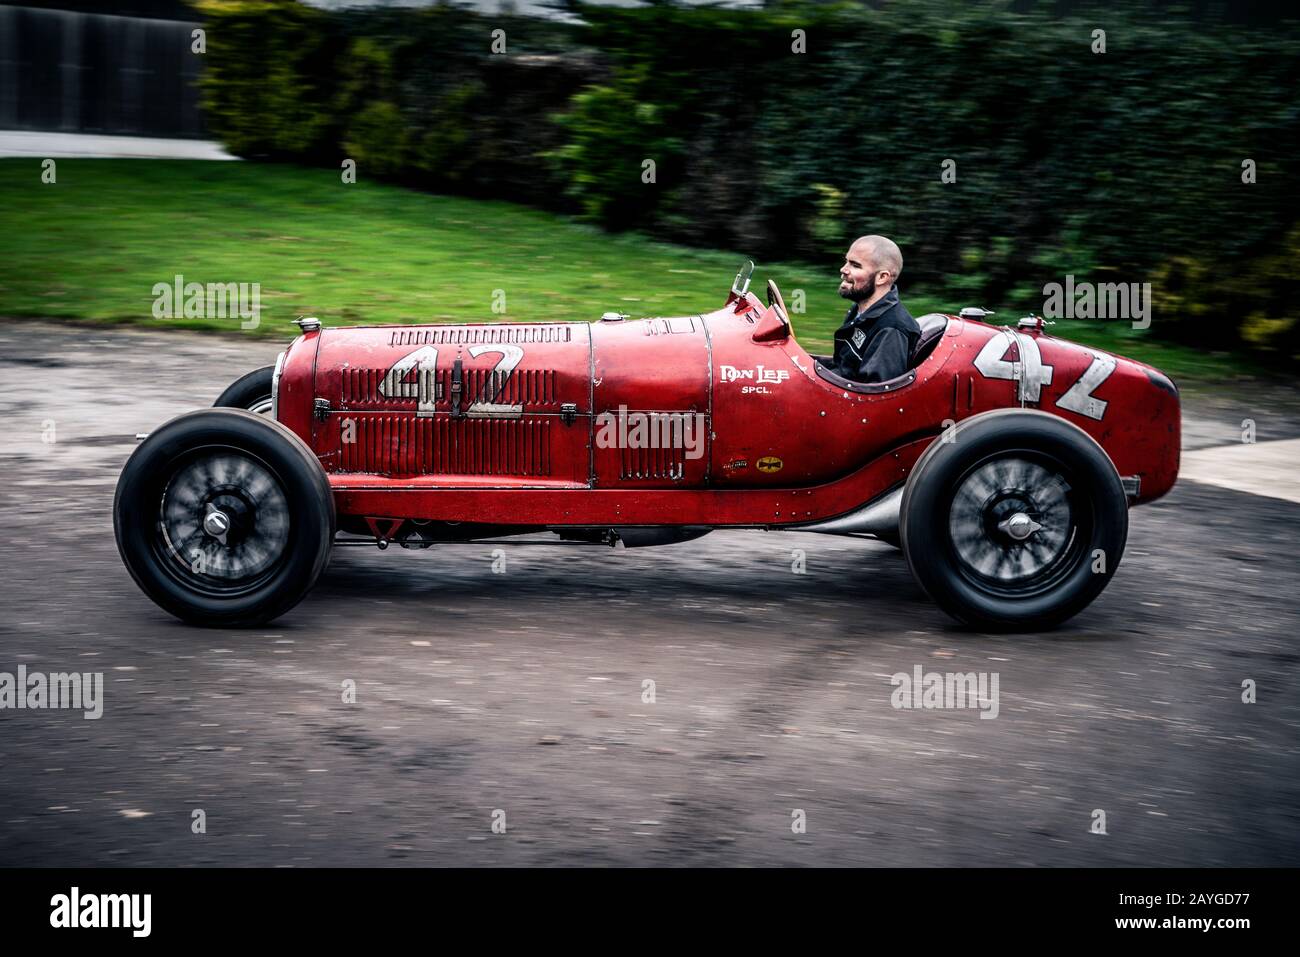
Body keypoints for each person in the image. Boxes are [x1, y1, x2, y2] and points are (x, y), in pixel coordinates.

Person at [827, 235, 920, 383]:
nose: (843, 269)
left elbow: (875, 396)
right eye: (846, 262)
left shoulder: (891, 330)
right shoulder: (859, 311)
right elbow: (843, 366)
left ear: (882, 277)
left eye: (855, 265)